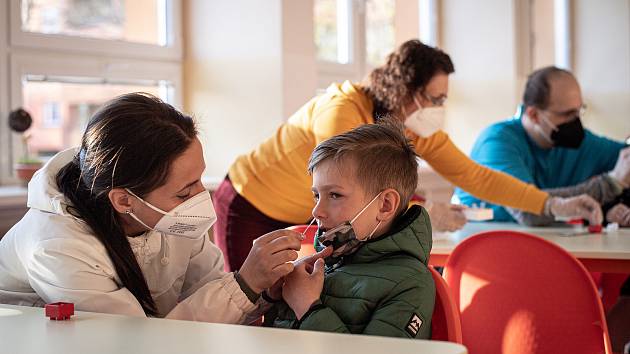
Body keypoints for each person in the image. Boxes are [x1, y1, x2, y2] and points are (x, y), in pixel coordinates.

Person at [214, 40, 602, 271]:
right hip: (251, 202)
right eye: (434, 98)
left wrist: (552, 204)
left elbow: (477, 177)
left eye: (443, 99)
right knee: (253, 310)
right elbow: (346, 184)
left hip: (306, 214)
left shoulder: (412, 127)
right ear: (404, 90)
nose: (438, 107)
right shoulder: (342, 110)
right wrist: (419, 210)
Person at [0, 93, 308, 322]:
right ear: (123, 200)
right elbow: (137, 341)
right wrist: (245, 284)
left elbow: (209, 297)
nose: (202, 198)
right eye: (185, 191)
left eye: (200, 180)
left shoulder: (169, 216)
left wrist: (264, 291)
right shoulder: (57, 246)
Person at [264, 120, 435, 339]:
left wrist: (308, 308)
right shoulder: (321, 266)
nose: (317, 211)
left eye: (335, 195)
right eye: (317, 195)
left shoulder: (411, 284)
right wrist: (274, 298)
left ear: (385, 205)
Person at [456, 66, 628, 226]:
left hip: (545, 243)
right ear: (534, 115)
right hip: (480, 243)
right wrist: (611, 184)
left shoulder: (581, 144)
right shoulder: (497, 143)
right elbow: (528, 211)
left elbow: (625, 156)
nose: (575, 121)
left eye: (578, 111)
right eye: (567, 114)